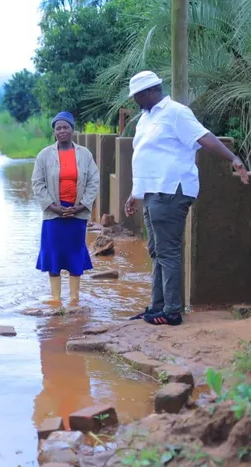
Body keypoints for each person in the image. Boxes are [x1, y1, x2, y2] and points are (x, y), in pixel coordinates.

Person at [124, 71, 250, 326]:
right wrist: (134, 194)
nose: (135, 101)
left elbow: (204, 137)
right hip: (152, 191)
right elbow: (145, 156)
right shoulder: (146, 118)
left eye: (137, 96)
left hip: (172, 189)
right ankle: (156, 305)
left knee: (168, 251)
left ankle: (172, 311)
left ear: (150, 91)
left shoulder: (176, 112)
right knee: (155, 250)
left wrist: (234, 159)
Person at [31, 112, 100, 304]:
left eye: (65, 127)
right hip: (53, 213)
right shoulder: (44, 155)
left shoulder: (84, 154)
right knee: (53, 253)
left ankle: (74, 298)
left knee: (74, 253)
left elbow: (94, 180)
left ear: (72, 129)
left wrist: (81, 206)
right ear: (54, 132)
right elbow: (37, 183)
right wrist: (53, 207)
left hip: (77, 213)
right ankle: (55, 298)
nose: (62, 131)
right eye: (58, 128)